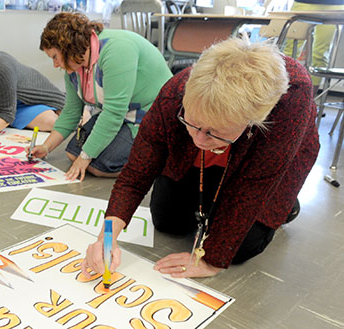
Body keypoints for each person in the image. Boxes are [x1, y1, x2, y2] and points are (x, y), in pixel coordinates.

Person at [81, 38, 318, 280]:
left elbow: (255, 184)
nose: (199, 141)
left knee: (241, 247)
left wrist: (212, 261)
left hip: (263, 170)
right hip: (201, 164)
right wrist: (106, 239)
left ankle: (285, 203)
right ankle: (216, 189)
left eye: (214, 133)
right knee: (168, 220)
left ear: (254, 119)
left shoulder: (292, 96)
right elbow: (134, 175)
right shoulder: (176, 91)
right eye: (192, 124)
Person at [32, 12, 172, 181]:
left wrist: (86, 157)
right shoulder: (74, 67)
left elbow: (114, 112)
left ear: (68, 46)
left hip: (150, 114)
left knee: (100, 165)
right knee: (72, 153)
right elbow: (70, 112)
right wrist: (46, 147)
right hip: (123, 114)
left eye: (55, 56)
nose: (55, 64)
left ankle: (159, 159)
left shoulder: (116, 50)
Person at [282, 0, 344, 95]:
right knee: (289, 53)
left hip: (334, 5)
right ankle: (282, 97)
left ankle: (309, 100)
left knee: (320, 55)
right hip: (303, 3)